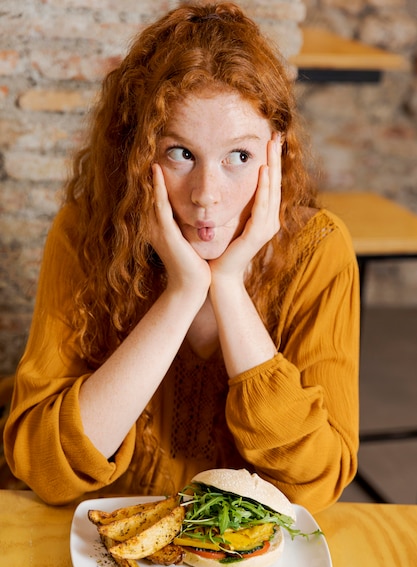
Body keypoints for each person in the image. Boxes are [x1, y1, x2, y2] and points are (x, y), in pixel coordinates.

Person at [4, 2, 360, 511]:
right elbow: (42, 469)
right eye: (180, 153)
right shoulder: (85, 232)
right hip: (99, 548)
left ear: (275, 155)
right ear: (138, 152)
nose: (206, 194)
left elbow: (318, 481)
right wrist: (182, 293)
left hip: (243, 561)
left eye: (239, 156)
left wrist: (229, 288)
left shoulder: (319, 252)